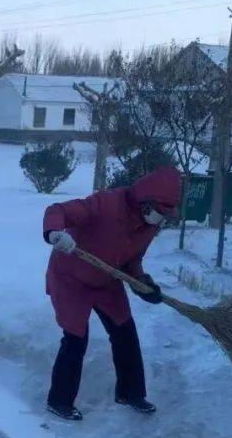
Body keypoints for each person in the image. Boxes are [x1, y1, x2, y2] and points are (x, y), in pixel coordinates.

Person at [42, 166, 182, 420]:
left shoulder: (148, 226)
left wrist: (142, 282)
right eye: (161, 213)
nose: (162, 220)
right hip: (71, 279)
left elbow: (132, 259)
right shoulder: (105, 204)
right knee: (76, 338)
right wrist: (55, 233)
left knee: (125, 332)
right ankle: (59, 401)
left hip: (106, 282)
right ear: (146, 202)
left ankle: (131, 393)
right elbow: (57, 211)